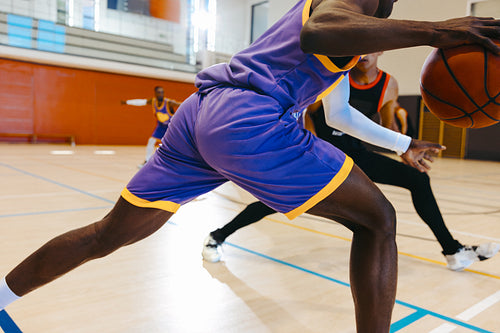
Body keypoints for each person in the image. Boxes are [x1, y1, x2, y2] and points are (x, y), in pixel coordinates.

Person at [1, 0, 499, 331]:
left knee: (107, 234)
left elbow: (342, 113)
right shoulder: (356, 6)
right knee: (378, 220)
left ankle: (1, 297)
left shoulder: (349, 32)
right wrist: (436, 30)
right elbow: (320, 31)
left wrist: (404, 141)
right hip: (251, 119)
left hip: (203, 111)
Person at [201, 52, 500, 271]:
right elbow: (311, 120)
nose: (364, 54)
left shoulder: (389, 85)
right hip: (320, 152)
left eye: (371, 48)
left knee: (418, 179)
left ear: (381, 50)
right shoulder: (333, 76)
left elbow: (384, 124)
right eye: (360, 48)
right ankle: (218, 235)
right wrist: (308, 152)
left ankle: (453, 251)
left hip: (356, 153)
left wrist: (402, 143)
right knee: (275, 202)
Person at [121, 86, 181, 166]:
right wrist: (127, 102)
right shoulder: (153, 101)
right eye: (159, 92)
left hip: (170, 127)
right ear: (155, 93)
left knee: (174, 144)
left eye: (162, 92)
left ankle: (178, 162)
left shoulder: (169, 102)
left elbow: (181, 104)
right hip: (160, 126)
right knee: (151, 141)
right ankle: (147, 160)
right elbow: (141, 102)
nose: (161, 94)